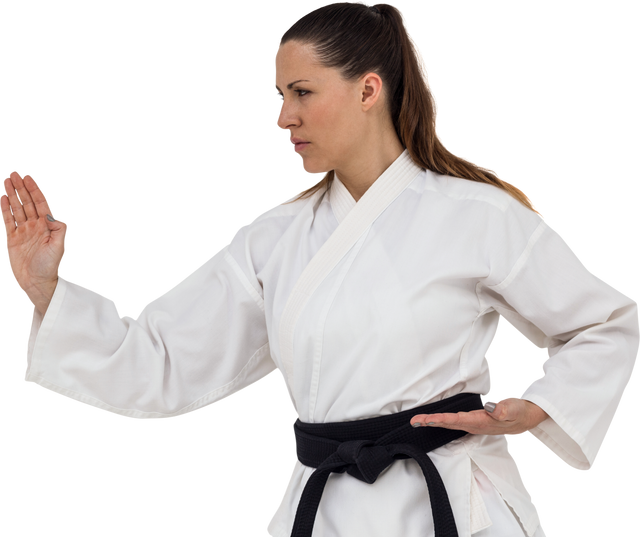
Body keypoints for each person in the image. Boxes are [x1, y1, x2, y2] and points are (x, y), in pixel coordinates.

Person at [1, 2, 638, 536]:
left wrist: (538, 407)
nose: (283, 117)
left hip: (451, 508)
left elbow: (604, 322)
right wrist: (45, 289)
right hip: (323, 509)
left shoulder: (477, 213)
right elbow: (162, 359)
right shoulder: (273, 238)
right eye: (280, 97)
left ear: (368, 89)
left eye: (302, 92)